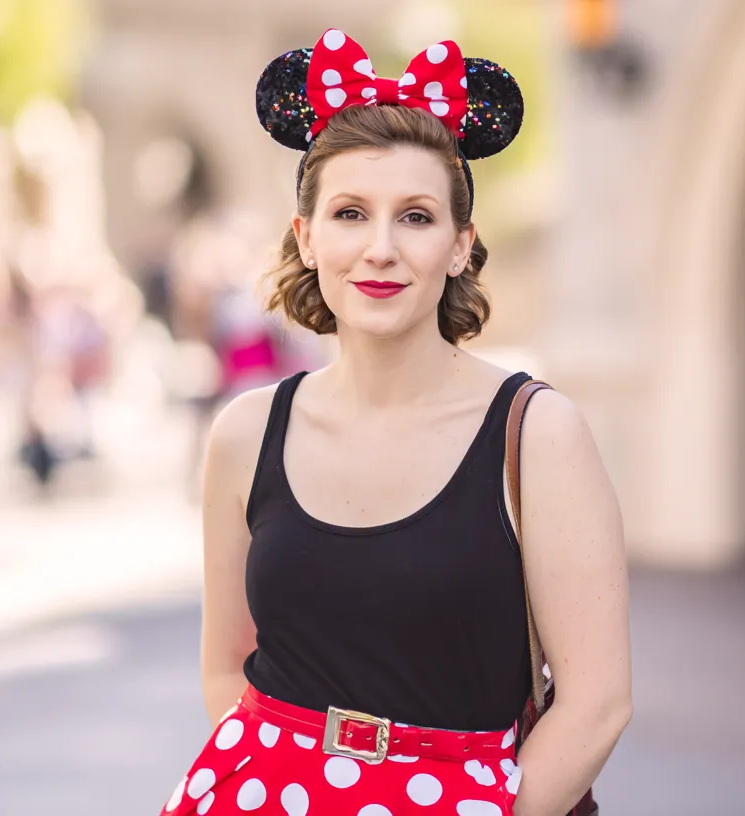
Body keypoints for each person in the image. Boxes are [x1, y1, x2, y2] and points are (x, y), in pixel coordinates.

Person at [162, 31, 631, 816]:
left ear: (459, 247)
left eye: (415, 217)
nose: (380, 249)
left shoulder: (537, 434)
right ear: (308, 238)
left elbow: (596, 706)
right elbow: (226, 669)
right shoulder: (245, 435)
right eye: (350, 214)